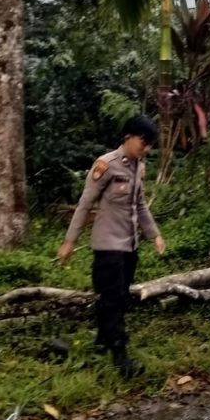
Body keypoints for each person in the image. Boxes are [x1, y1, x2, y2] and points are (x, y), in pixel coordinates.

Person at [58, 115, 165, 378]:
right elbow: (85, 205)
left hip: (129, 246)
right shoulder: (106, 165)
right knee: (113, 299)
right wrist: (70, 241)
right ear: (128, 137)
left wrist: (155, 235)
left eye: (150, 145)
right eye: (144, 142)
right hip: (107, 247)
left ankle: (103, 340)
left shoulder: (138, 167)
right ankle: (121, 358)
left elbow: (140, 205)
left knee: (119, 297)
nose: (146, 149)